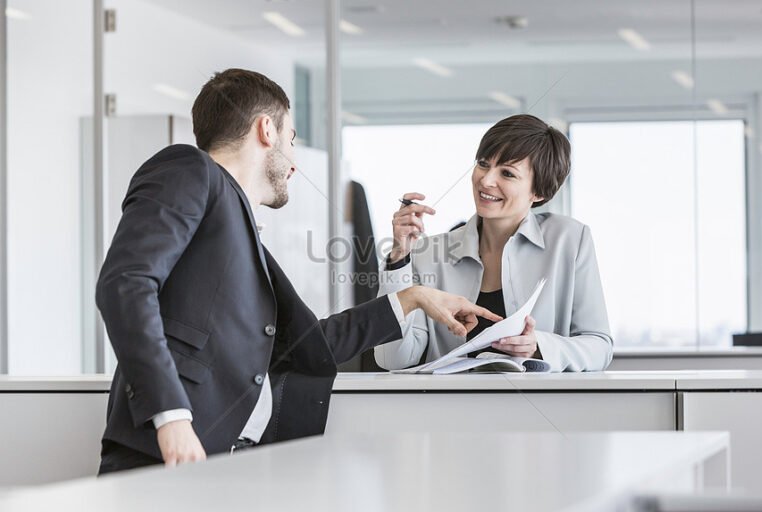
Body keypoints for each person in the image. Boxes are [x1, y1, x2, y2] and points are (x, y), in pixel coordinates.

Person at [96, 68, 501, 474]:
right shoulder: (188, 169)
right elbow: (126, 283)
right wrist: (171, 415)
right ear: (266, 130)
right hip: (173, 454)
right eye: (292, 140)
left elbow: (307, 345)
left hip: (232, 464)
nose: (294, 160)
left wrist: (414, 298)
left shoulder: (238, 234)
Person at [375, 114, 613, 372]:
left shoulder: (569, 240)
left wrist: (539, 346)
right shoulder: (427, 254)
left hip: (539, 397)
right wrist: (399, 258)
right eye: (483, 164)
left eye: (507, 173)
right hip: (451, 398)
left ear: (539, 192)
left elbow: (599, 346)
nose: (486, 180)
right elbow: (391, 360)